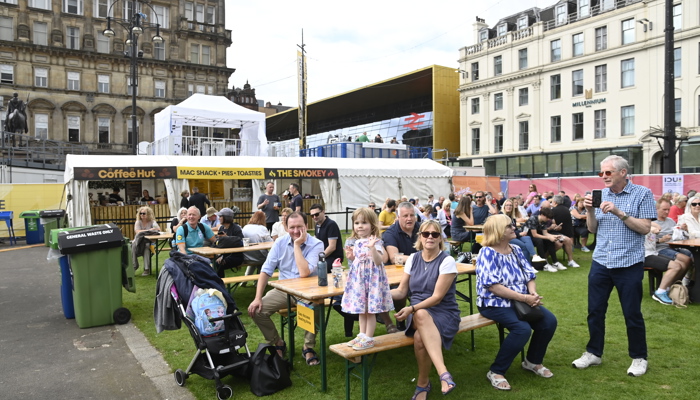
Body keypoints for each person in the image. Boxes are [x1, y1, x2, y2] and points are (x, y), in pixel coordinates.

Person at [572, 155, 656, 377]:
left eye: (607, 172)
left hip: (629, 263)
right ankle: (593, 353)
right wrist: (590, 211)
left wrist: (620, 212)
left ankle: (639, 357)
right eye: (601, 173)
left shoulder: (642, 194)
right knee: (595, 311)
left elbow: (645, 228)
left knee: (632, 313)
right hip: (601, 261)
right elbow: (592, 229)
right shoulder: (600, 195)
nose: (603, 177)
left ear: (623, 173)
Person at [476, 214, 557, 391]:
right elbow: (493, 287)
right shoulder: (487, 252)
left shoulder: (516, 249)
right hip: (493, 303)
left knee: (549, 322)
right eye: (508, 226)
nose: (514, 227)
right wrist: (524, 298)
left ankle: (532, 361)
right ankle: (496, 371)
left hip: (521, 300)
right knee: (522, 329)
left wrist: (533, 293)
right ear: (498, 231)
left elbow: (530, 275)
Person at [391, 220, 460, 398]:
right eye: (426, 234)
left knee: (420, 338)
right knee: (420, 315)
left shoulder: (447, 260)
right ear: (420, 237)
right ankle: (443, 375)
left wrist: (411, 308)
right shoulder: (413, 258)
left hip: (444, 311)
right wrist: (379, 293)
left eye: (435, 234)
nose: (430, 237)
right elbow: (401, 291)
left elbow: (437, 298)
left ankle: (424, 383)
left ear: (440, 238)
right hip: (417, 312)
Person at [247, 212, 324, 365]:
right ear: (286, 227)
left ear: (306, 227)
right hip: (284, 290)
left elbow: (304, 273)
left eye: (299, 227)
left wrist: (296, 245)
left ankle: (308, 347)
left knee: (314, 306)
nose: (296, 231)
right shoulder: (280, 243)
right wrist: (257, 298)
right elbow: (266, 270)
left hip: (308, 290)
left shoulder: (316, 244)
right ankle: (278, 342)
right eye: (292, 227)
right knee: (256, 310)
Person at [342, 208, 392, 350]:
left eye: (364, 223)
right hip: (360, 281)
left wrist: (372, 248)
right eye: (357, 223)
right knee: (361, 309)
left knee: (370, 310)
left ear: (372, 225)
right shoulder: (357, 242)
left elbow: (378, 261)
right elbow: (359, 260)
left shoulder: (375, 242)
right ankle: (362, 334)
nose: (360, 226)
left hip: (372, 280)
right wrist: (352, 256)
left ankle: (369, 337)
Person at [383, 201, 421, 331]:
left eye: (411, 215)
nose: (409, 219)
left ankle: (427, 319)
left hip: (421, 271)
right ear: (398, 217)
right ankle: (401, 320)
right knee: (400, 290)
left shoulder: (422, 229)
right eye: (405, 216)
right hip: (399, 275)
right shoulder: (390, 233)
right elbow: (394, 258)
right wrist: (421, 258)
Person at [645, 200, 692, 305]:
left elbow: (651, 237)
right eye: (664, 209)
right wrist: (659, 238)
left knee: (687, 258)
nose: (666, 212)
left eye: (668, 210)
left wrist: (681, 231)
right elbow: (650, 230)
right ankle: (661, 292)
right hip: (649, 253)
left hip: (661, 249)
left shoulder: (669, 221)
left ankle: (672, 287)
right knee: (677, 265)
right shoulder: (646, 223)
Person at [524, 207, 564, 273]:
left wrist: (554, 236)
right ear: (542, 215)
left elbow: (545, 233)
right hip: (526, 236)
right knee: (539, 241)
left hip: (535, 236)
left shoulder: (544, 221)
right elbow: (534, 235)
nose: (548, 219)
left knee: (550, 240)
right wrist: (549, 237)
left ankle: (555, 262)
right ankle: (544, 264)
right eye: (547, 217)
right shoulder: (533, 219)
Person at [502, 198, 541, 263]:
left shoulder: (512, 217)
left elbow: (515, 229)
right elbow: (505, 231)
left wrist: (521, 233)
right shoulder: (502, 216)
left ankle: (534, 256)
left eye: (510, 205)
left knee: (527, 237)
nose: (509, 207)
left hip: (513, 235)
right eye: (507, 205)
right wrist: (519, 234)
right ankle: (527, 265)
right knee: (524, 246)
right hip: (506, 238)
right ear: (504, 206)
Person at [549, 195, 580, 268]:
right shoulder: (567, 209)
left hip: (556, 232)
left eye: (552, 201)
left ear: (555, 202)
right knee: (566, 241)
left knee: (560, 242)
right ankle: (570, 260)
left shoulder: (553, 210)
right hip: (568, 233)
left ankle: (544, 257)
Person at [310, 203, 344, 268]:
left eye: (316, 214)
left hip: (333, 258)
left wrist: (319, 258)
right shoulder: (317, 225)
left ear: (323, 212)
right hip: (324, 256)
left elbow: (332, 247)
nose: (314, 217)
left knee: (315, 267)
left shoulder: (331, 224)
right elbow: (315, 240)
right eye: (312, 216)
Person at [213, 207, 244, 278]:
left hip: (235, 256)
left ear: (226, 217)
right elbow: (219, 243)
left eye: (220, 216)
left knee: (218, 264)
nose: (218, 218)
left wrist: (227, 238)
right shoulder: (221, 228)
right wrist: (220, 255)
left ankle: (221, 285)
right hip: (224, 255)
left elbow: (241, 242)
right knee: (211, 263)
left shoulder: (236, 228)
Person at [132, 206, 160, 276]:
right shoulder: (138, 222)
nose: (142, 215)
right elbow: (137, 231)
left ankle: (146, 269)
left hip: (149, 242)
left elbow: (158, 229)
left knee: (147, 246)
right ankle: (134, 266)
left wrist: (153, 228)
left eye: (144, 213)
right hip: (138, 241)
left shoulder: (152, 222)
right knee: (132, 246)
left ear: (148, 214)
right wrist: (149, 230)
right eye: (140, 213)